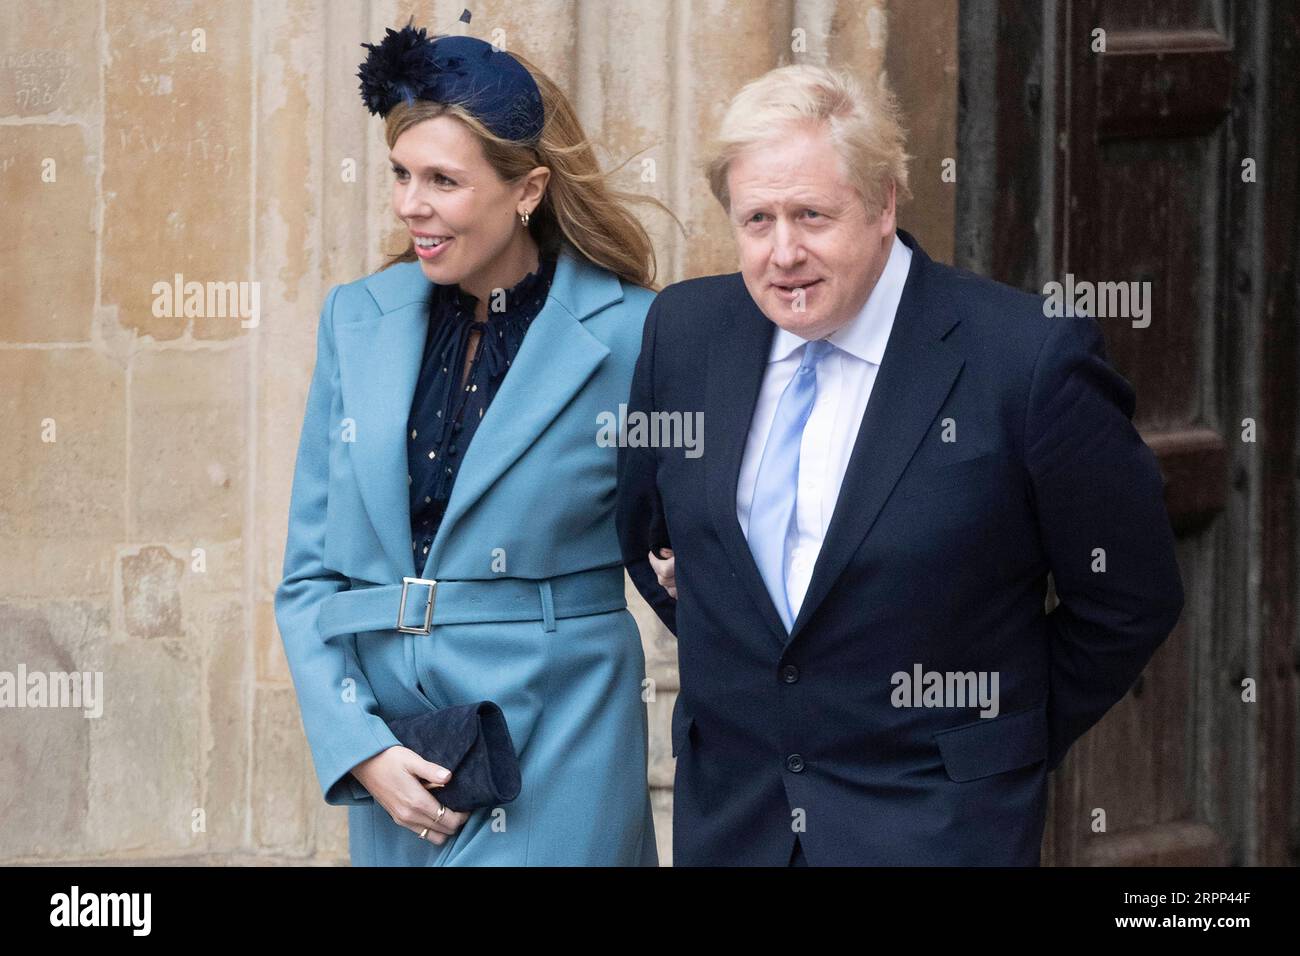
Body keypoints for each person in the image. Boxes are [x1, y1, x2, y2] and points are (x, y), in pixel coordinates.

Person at [616, 63, 1184, 866]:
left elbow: (1131, 596)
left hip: (939, 830)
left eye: (812, 215)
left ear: (885, 202)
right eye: (756, 220)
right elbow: (653, 541)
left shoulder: (1025, 359)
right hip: (733, 823)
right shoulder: (684, 331)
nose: (783, 253)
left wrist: (991, 745)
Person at [275, 22, 666, 865]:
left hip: (563, 739)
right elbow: (310, 577)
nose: (412, 203)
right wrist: (359, 746)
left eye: (444, 180)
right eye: (402, 175)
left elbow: (694, 549)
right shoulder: (356, 319)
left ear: (527, 189)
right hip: (395, 754)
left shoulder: (636, 332)